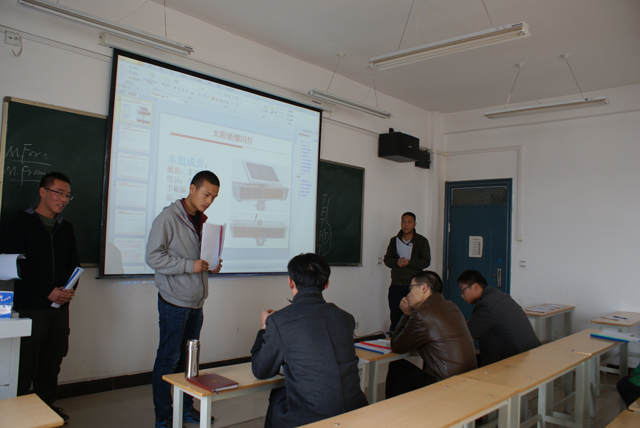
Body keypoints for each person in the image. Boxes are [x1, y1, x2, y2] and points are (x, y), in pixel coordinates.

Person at [251, 253, 368, 428]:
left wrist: (264, 329)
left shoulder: (279, 321)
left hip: (312, 418)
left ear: (290, 282)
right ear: (326, 284)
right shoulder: (346, 318)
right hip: (356, 409)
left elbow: (261, 370)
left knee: (278, 396)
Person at [146, 171, 223, 428]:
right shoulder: (168, 218)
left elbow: (197, 257)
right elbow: (153, 257)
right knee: (168, 359)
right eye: (206, 194)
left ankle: (185, 408)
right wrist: (190, 266)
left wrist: (211, 264)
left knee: (188, 361)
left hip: (196, 302)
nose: (209, 201)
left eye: (214, 197)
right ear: (192, 188)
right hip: (174, 302)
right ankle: (163, 416)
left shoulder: (201, 219)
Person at [3, 172, 80, 424]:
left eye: (68, 195)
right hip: (31, 305)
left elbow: (74, 263)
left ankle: (47, 406)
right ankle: (17, 411)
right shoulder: (22, 222)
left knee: (52, 358)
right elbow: (19, 264)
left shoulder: (66, 228)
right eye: (59, 193)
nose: (64, 199)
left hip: (59, 306)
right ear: (43, 192)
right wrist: (48, 290)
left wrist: (69, 289)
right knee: (26, 360)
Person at [385, 271, 477, 398]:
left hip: (444, 385)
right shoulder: (452, 306)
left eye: (411, 288)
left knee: (397, 367)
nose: (408, 294)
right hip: (467, 379)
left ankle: (394, 410)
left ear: (424, 288)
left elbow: (397, 345)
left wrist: (406, 314)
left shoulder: (421, 314)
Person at [458, 269, 541, 366]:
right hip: (529, 351)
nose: (462, 296)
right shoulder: (498, 296)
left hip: (518, 361)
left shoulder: (487, 305)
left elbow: (468, 334)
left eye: (463, 290)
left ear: (475, 287)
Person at [383, 212, 431, 333]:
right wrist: (396, 262)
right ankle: (394, 338)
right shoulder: (394, 241)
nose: (406, 225)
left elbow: (426, 261)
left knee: (413, 317)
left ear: (414, 224)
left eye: (409, 222)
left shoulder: (421, 241)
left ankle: (411, 340)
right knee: (395, 316)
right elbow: (387, 260)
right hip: (396, 284)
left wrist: (410, 263)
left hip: (413, 286)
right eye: (403, 222)